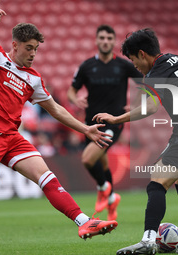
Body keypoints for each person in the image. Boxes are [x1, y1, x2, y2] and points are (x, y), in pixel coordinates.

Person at [0, 1, 117, 254]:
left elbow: (55, 109)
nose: (33, 53)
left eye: (36, 49)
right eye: (28, 48)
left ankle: (84, 222)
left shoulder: (33, 78)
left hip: (12, 139)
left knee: (47, 178)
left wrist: (85, 129)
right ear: (15, 45)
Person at [93, 28, 178, 254]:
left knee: (156, 183)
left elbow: (151, 107)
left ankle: (148, 240)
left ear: (142, 54)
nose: (135, 66)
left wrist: (116, 118)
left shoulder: (154, 75)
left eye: (134, 60)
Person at [67, 24, 142, 221]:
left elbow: (146, 85)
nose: (105, 41)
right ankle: (111, 202)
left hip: (114, 123)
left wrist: (134, 105)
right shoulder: (87, 66)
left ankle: (103, 189)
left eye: (109, 38)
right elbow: (71, 91)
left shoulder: (124, 65)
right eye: (102, 38)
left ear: (114, 41)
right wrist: (76, 99)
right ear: (97, 40)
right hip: (91, 124)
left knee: (87, 159)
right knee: (101, 161)